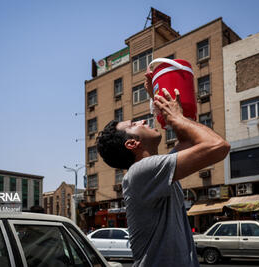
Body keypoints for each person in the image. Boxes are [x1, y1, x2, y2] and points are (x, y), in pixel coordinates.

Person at [96, 68, 230, 267]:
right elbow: (219, 146)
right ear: (132, 144)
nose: (143, 120)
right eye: (134, 123)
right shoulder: (141, 172)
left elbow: (188, 140)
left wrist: (157, 97)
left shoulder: (156, 171)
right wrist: (177, 117)